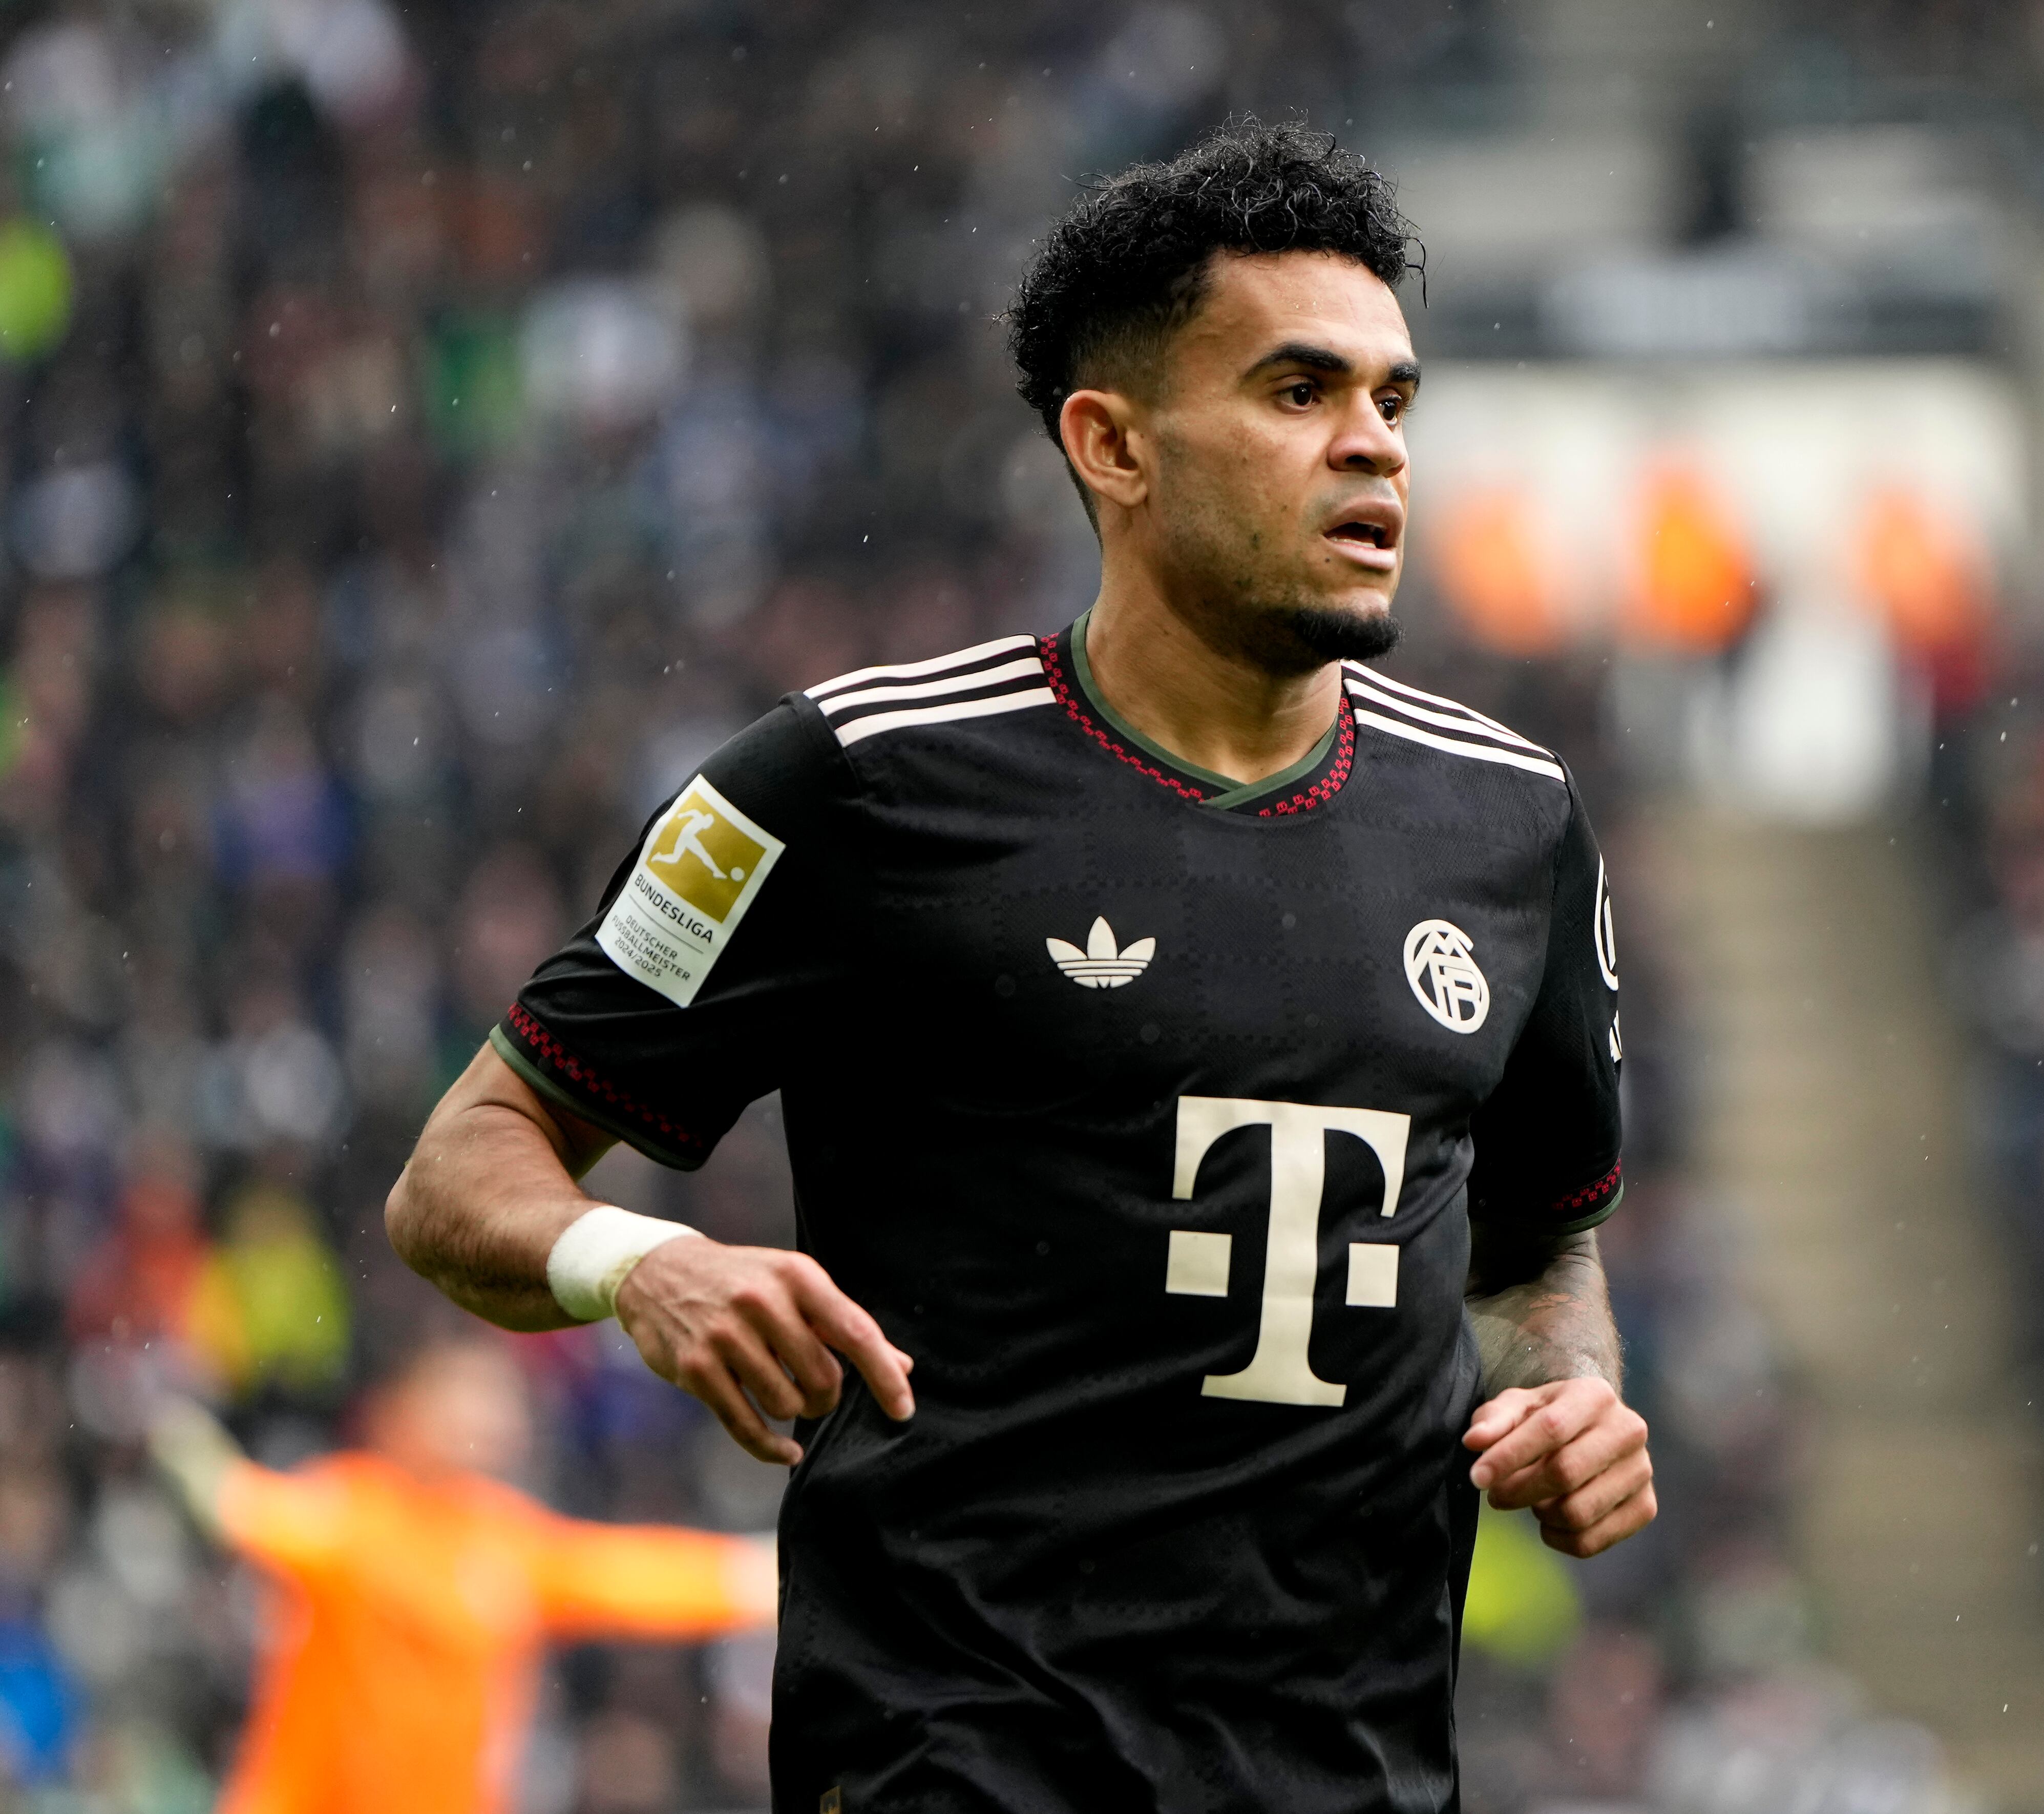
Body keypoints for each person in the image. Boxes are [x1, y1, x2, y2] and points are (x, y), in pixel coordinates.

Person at [385, 119, 1655, 1812]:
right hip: (959, 1759)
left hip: (1351, 1770)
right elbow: (459, 1175)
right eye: (1299, 394)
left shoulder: (1513, 829)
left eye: (1393, 401)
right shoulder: (849, 782)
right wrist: (644, 1264)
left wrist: (1573, 1395)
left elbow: (1537, 1263)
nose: (1374, 451)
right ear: (1112, 445)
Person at [149, 1341, 776, 1814]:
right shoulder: (352, 1509)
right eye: (468, 1395)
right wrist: (171, 1421)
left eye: (500, 1399)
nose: (491, 1417)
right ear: (403, 1408)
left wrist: (770, 1574)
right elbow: (236, 1505)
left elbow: (630, 1577)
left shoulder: (504, 1538)